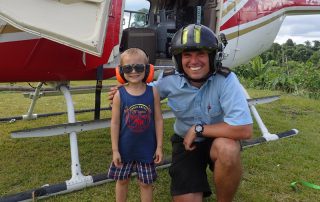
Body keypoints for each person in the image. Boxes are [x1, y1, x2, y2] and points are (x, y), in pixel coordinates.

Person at [109, 24, 253, 202]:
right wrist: (124, 92)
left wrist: (199, 129)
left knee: (228, 149)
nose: (194, 61)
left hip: (217, 139)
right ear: (178, 58)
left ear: (212, 56)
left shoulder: (226, 80)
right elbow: (143, 93)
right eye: (187, 55)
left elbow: (244, 129)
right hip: (185, 144)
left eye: (201, 54)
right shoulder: (169, 80)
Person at [107, 48, 164, 202]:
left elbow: (158, 120)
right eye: (128, 68)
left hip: (147, 150)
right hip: (124, 149)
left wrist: (159, 147)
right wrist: (115, 150)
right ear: (121, 71)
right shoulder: (119, 95)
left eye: (139, 67)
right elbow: (115, 123)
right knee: (122, 181)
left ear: (147, 69)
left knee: (146, 183)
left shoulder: (153, 92)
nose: (133, 71)